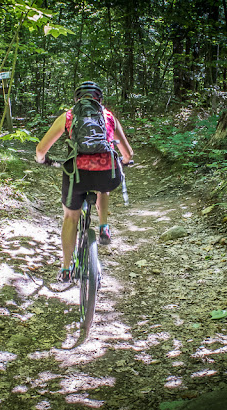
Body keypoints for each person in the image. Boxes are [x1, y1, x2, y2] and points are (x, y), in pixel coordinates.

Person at [35, 81, 134, 282]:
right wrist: (124, 161)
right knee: (102, 188)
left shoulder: (68, 116)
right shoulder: (108, 117)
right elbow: (128, 153)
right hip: (105, 175)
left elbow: (40, 150)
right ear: (99, 99)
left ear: (77, 99)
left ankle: (65, 268)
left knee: (71, 217)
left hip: (76, 176)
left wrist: (43, 160)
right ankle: (104, 226)